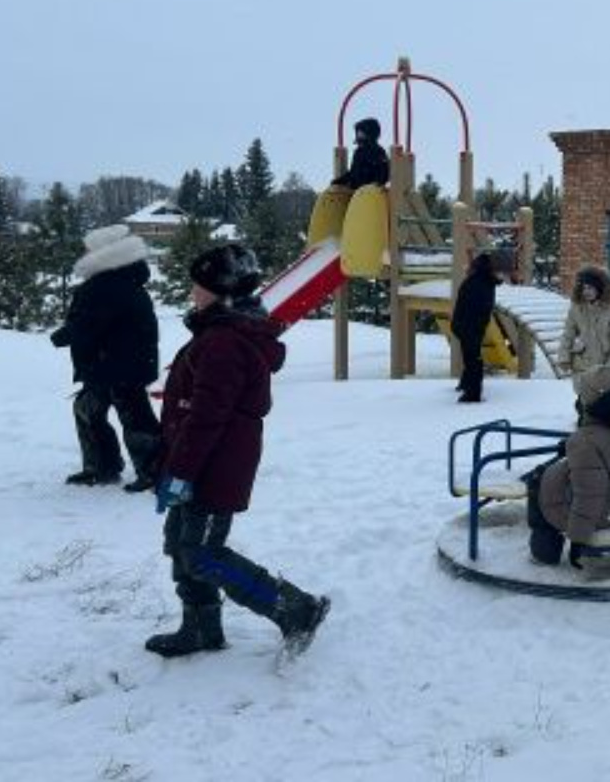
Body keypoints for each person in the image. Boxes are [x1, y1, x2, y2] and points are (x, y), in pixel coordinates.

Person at [145, 243, 330, 658]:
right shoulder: (219, 333)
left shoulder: (225, 342)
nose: (192, 292)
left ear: (221, 291)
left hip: (214, 468)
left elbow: (207, 417)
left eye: (199, 285)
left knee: (203, 553)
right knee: (182, 545)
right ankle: (200, 628)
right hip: (198, 462)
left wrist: (181, 473)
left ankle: (296, 609)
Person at [49, 225, 162, 492]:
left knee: (132, 417)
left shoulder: (106, 284)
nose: (85, 253)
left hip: (116, 365)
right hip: (117, 363)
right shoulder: (123, 278)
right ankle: (104, 467)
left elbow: (89, 324)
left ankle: (150, 471)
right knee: (93, 410)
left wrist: (63, 336)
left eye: (89, 249)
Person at [525, 363, 610, 565]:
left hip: (598, 516)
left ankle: (545, 554)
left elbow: (589, 494)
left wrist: (578, 540)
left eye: (581, 398)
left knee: (537, 484)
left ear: (594, 402)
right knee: (551, 475)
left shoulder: (585, 441)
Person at [558, 265, 610, 377]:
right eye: (584, 288)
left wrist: (609, 367)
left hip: (603, 367)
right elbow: (567, 335)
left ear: (599, 288)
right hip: (580, 367)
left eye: (590, 288)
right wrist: (564, 357)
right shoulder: (576, 309)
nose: (586, 292)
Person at [451, 253, 502, 403]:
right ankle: (467, 384)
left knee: (472, 358)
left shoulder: (477, 282)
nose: (469, 267)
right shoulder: (485, 281)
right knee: (471, 356)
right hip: (473, 325)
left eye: (473, 265)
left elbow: (471, 306)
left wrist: (461, 324)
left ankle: (473, 392)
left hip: (469, 325)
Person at [329, 117, 390, 190]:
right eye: (358, 133)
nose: (358, 136)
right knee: (335, 189)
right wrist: (339, 181)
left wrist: (377, 183)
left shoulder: (378, 151)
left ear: (369, 134)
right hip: (357, 191)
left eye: (361, 133)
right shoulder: (358, 153)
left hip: (371, 191)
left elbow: (384, 171)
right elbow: (353, 173)